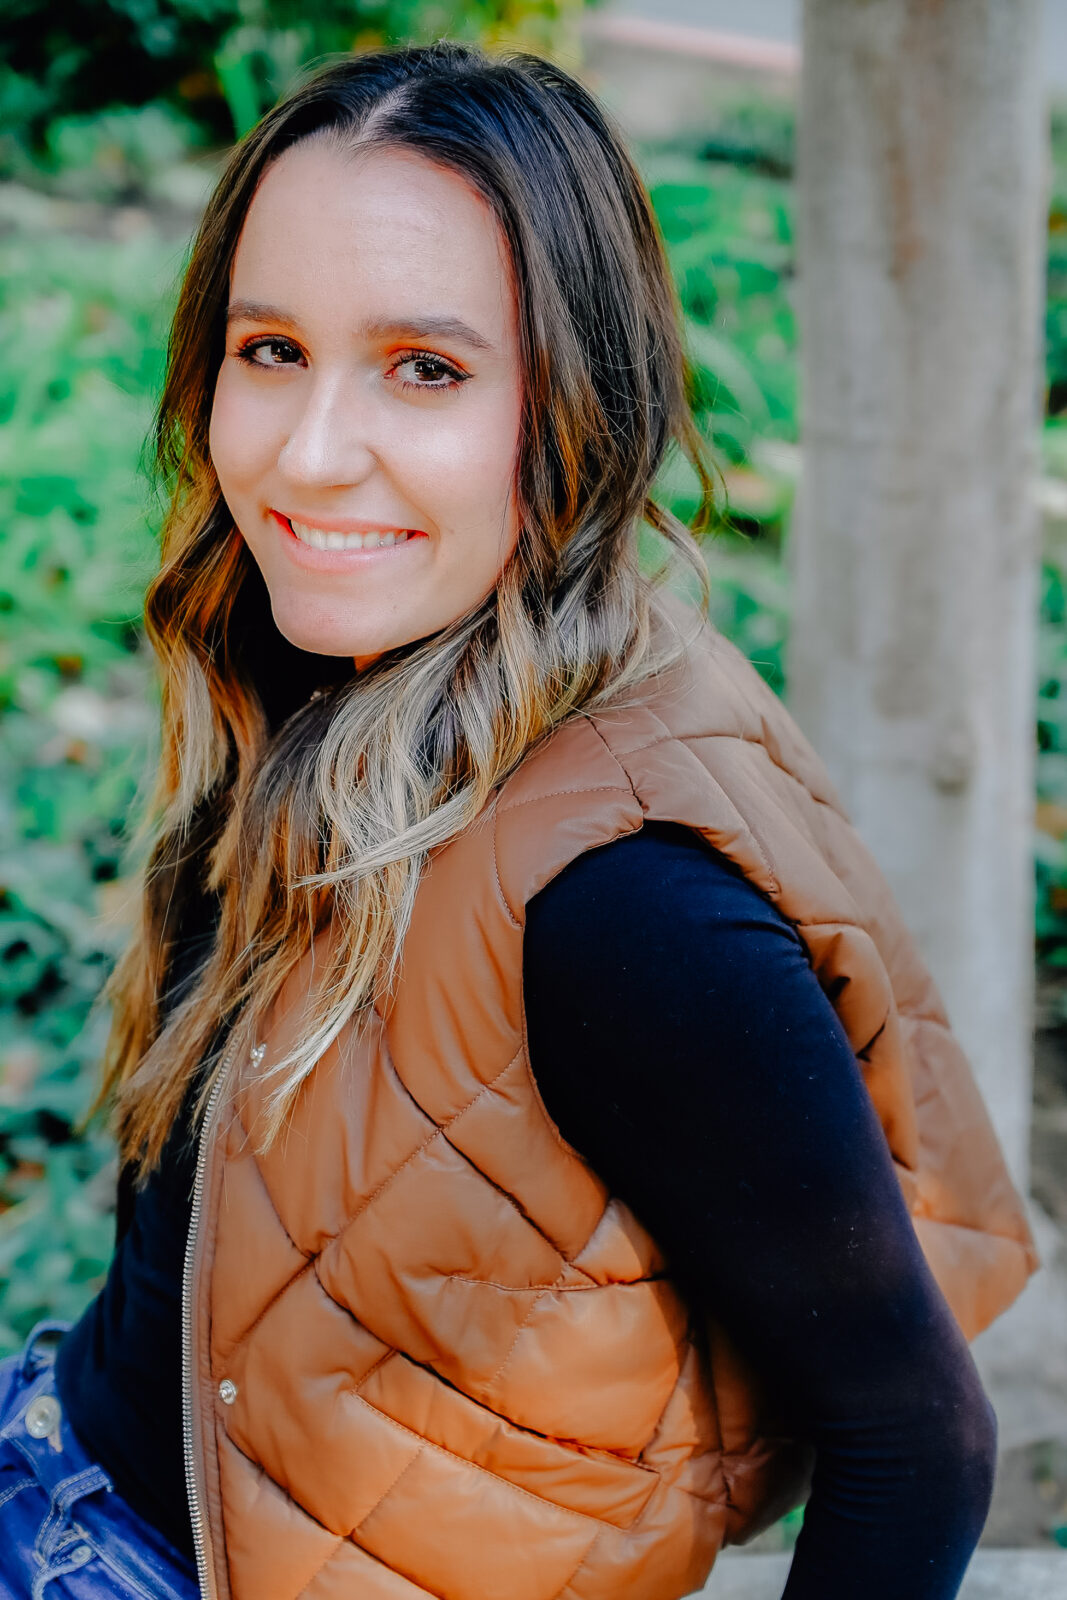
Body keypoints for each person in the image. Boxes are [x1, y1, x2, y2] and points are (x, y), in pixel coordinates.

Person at [0, 41, 1038, 1600]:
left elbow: (917, 1438)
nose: (306, 451)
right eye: (269, 347)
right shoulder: (327, 654)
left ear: (575, 407)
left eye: (426, 367)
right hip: (72, 1459)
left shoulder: (623, 903)